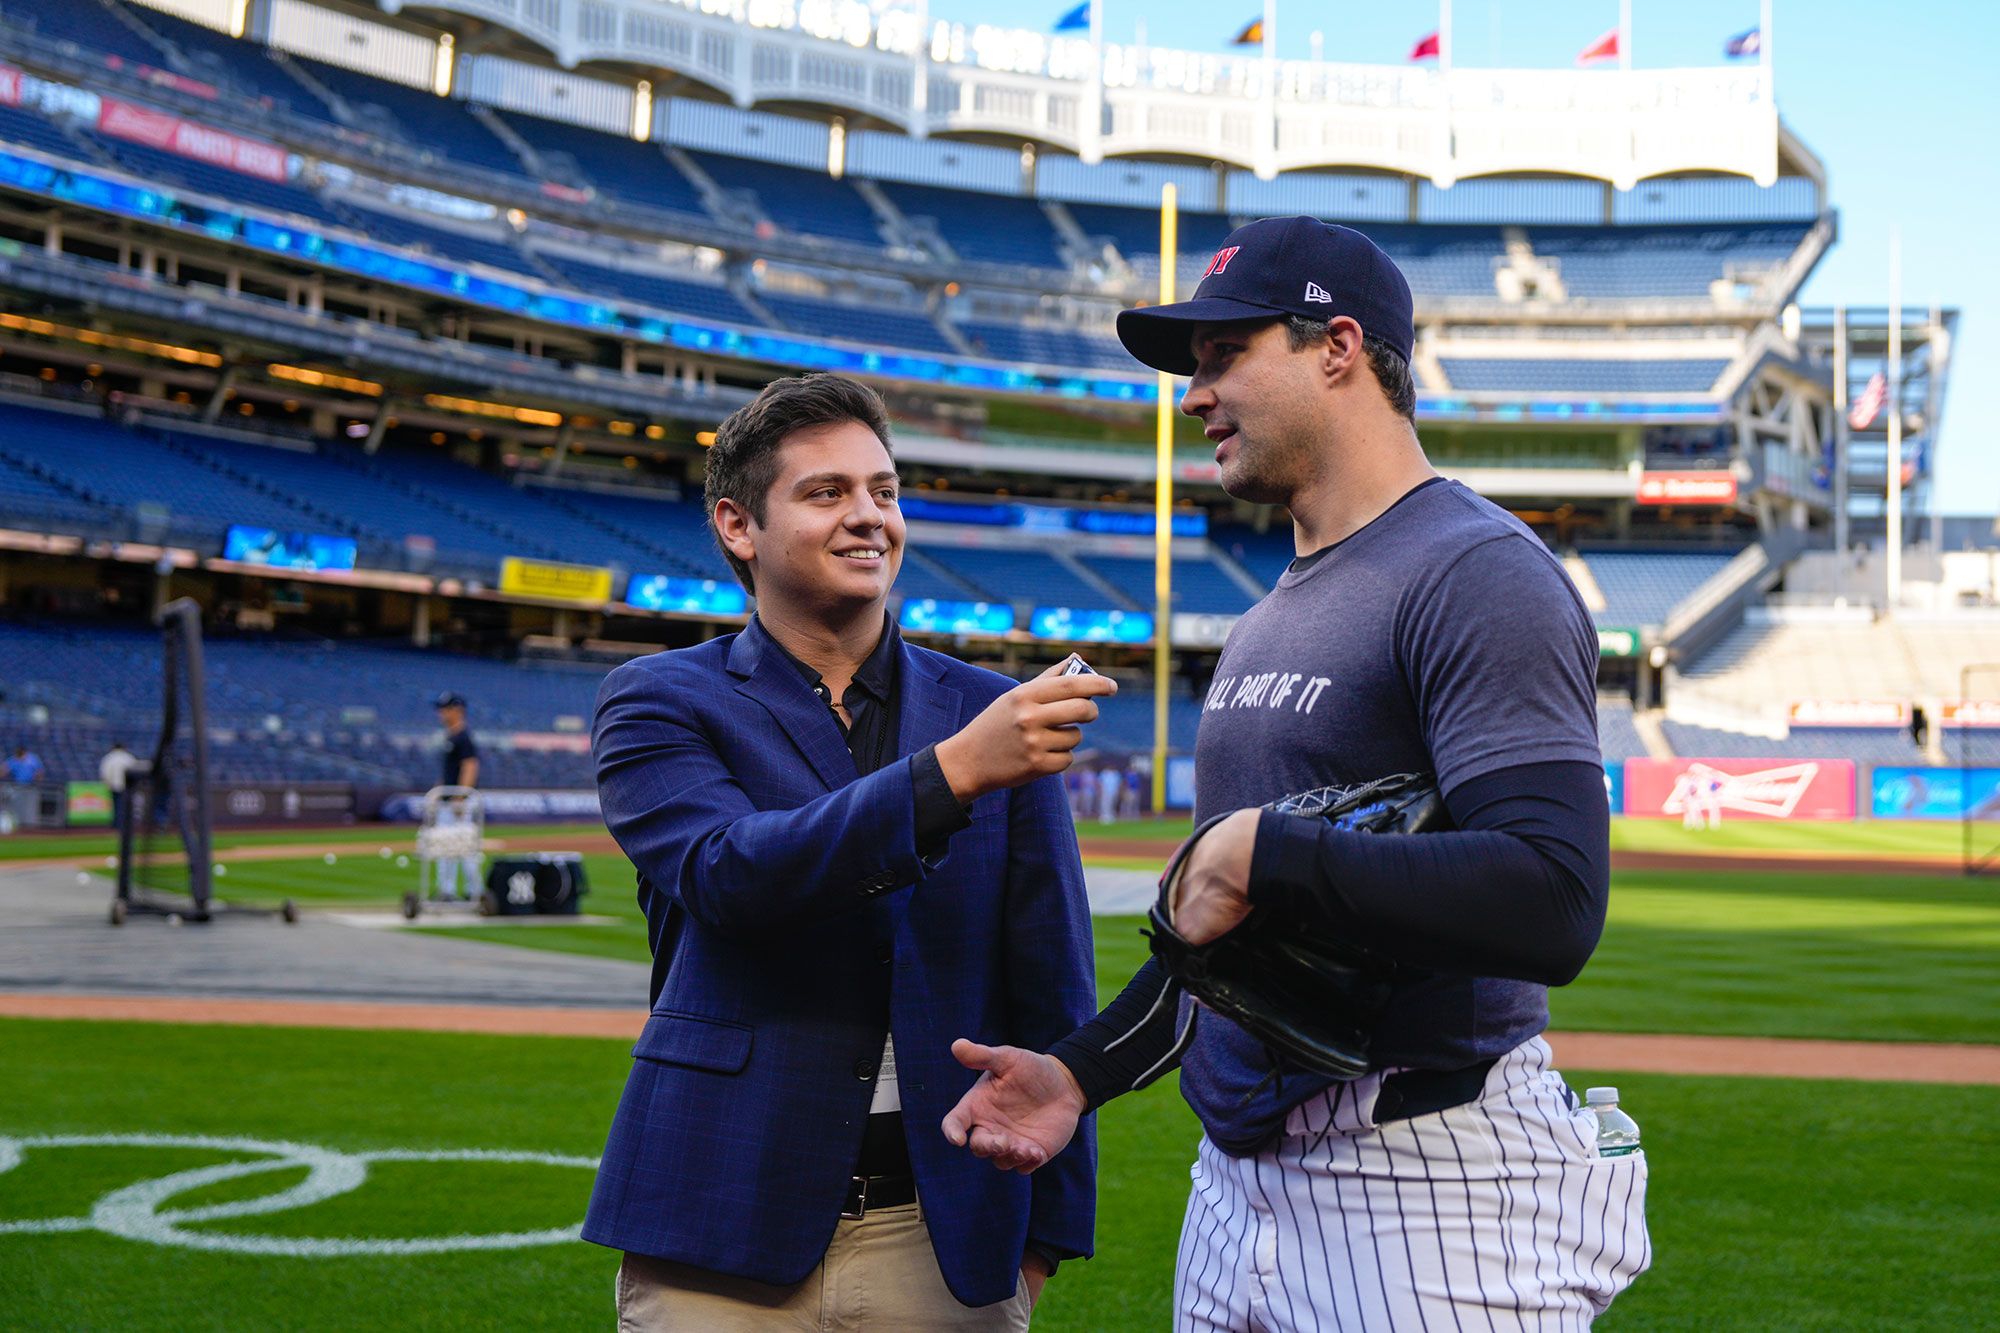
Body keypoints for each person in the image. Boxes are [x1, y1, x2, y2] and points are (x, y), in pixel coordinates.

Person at [940, 218, 1650, 1330]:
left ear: (1337, 347)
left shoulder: (1475, 571)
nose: (1192, 393)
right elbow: (1227, 941)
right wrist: (1079, 1073)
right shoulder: (1268, 621)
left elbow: (1553, 899)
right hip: (1235, 1185)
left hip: (1425, 1175)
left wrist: (1272, 852)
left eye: (1223, 353)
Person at [583, 372, 1115, 1329]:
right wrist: (950, 776)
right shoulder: (657, 697)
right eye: (826, 492)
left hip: (945, 1237)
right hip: (718, 1227)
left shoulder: (989, 713)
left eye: (884, 490)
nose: (870, 515)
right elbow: (729, 872)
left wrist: (1048, 1238)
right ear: (739, 526)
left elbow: (1049, 981)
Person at [431, 691, 482, 901]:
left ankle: (473, 891)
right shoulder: (451, 736)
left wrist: (460, 797)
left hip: (457, 802)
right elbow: (449, 771)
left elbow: (470, 766)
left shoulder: (463, 737)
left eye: (445, 709)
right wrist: (438, 792)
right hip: (448, 799)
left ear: (457, 710)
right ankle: (448, 890)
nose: (441, 713)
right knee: (446, 846)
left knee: (464, 846)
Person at [98, 741, 138, 831]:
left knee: (116, 805)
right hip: (127, 785)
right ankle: (125, 824)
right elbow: (135, 770)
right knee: (126, 806)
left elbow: (105, 773)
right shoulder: (128, 757)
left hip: (114, 786)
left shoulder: (109, 758)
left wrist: (107, 784)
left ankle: (117, 824)